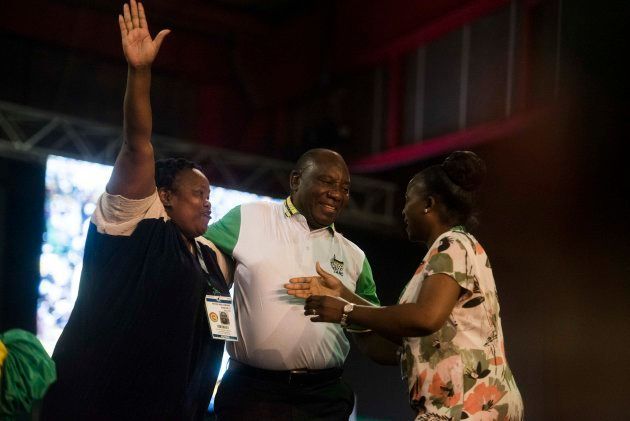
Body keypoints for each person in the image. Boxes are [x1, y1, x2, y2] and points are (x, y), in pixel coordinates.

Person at [40, 1, 231, 419]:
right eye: (197, 193)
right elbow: (137, 142)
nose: (207, 202)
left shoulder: (210, 257)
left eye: (210, 194)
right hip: (98, 405)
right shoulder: (133, 220)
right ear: (163, 195)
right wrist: (140, 72)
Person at [287, 151, 524, 420]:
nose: (403, 210)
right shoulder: (449, 250)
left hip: (466, 406)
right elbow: (401, 334)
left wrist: (345, 310)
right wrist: (342, 295)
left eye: (408, 199)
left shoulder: (453, 245)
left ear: (428, 204)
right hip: (470, 404)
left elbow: (424, 318)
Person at [203, 148, 380, 420]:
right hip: (253, 394)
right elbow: (197, 255)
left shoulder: (355, 256)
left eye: (345, 188)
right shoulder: (248, 217)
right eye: (327, 182)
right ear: (296, 180)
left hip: (324, 398)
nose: (338, 193)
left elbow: (373, 324)